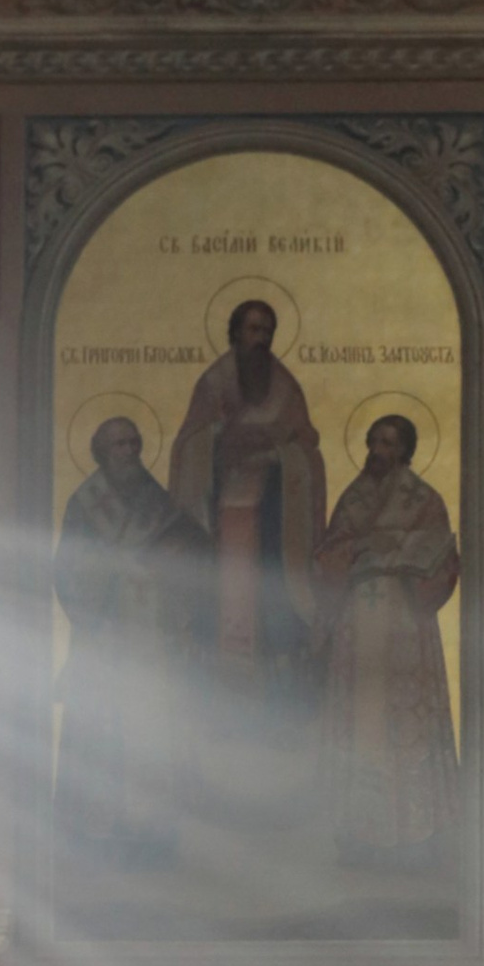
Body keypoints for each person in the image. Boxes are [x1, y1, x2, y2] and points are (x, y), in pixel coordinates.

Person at [165, 296, 328, 762]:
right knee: (221, 616)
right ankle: (220, 719)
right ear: (235, 334)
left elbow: (307, 449)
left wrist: (278, 457)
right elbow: (189, 446)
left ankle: (277, 720)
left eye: (267, 331)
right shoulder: (214, 383)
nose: (260, 340)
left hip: (277, 527)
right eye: (252, 330)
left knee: (277, 616)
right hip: (223, 527)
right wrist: (221, 441)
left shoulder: (284, 387)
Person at [315, 415, 460, 874]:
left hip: (404, 627)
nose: (379, 451)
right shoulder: (353, 499)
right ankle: (359, 835)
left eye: (389, 443)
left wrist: (395, 555)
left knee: (408, 724)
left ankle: (415, 838)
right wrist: (356, 553)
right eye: (374, 442)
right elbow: (329, 552)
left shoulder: (423, 500)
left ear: (406, 450)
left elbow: (442, 555)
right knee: (360, 724)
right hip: (357, 623)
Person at [53, 414, 200, 867]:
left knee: (149, 730)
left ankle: (152, 830)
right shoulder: (85, 503)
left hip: (151, 640)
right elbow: (66, 569)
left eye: (135, 443)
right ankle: (97, 832)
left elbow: (191, 551)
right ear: (102, 451)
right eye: (119, 444)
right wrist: (106, 575)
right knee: (102, 729)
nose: (130, 451)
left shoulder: (158, 502)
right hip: (104, 637)